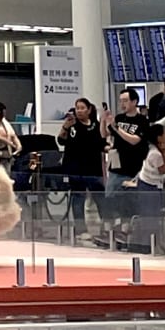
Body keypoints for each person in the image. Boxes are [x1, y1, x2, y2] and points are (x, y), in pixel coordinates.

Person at [56, 98, 104, 236]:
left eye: (82, 108)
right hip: (75, 168)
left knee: (99, 197)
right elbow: (61, 140)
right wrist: (65, 126)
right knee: (78, 198)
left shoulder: (96, 125)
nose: (79, 111)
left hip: (93, 167)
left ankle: (105, 226)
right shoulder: (73, 126)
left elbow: (101, 143)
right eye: (77, 108)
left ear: (89, 110)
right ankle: (80, 229)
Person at [101, 88, 149, 191]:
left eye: (125, 101)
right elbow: (104, 134)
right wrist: (103, 120)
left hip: (133, 167)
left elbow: (134, 140)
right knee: (110, 197)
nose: (122, 104)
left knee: (130, 199)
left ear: (134, 101)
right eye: (121, 101)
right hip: (116, 166)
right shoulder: (119, 118)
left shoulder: (142, 121)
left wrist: (117, 128)